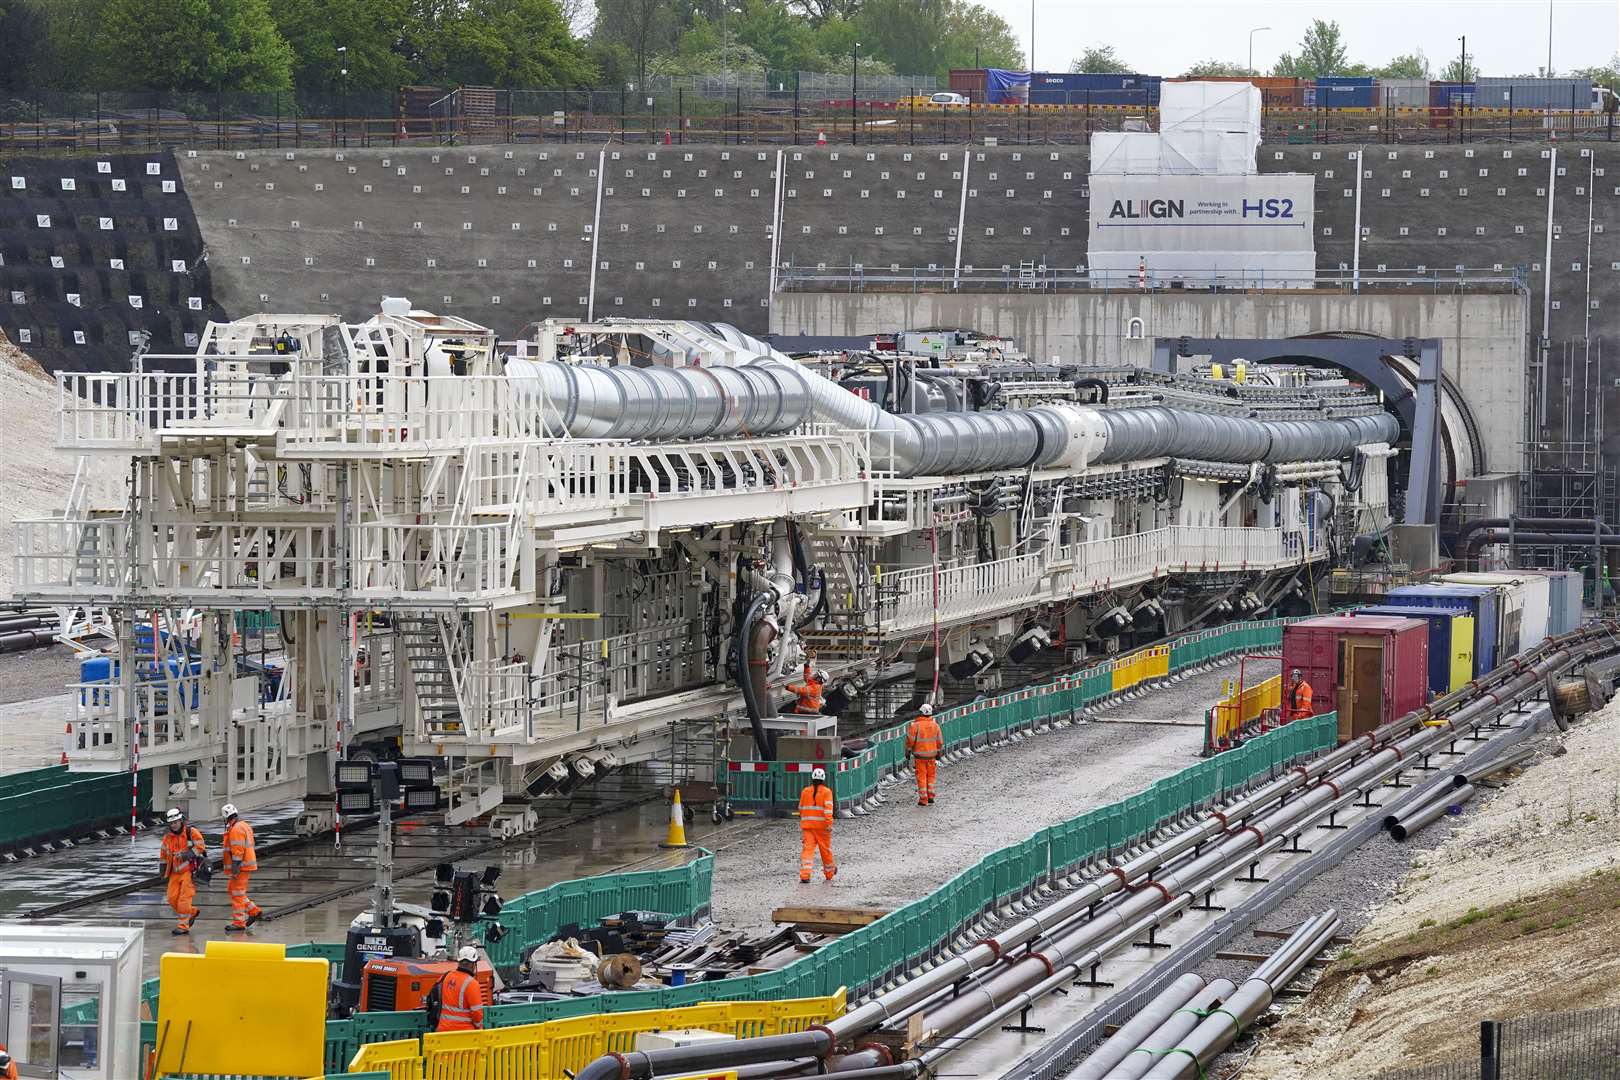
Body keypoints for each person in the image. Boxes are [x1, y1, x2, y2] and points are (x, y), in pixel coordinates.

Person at [159, 808, 206, 935]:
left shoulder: (191, 832)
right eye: (171, 823)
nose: (174, 825)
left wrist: (188, 854)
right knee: (171, 898)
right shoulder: (167, 837)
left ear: (181, 821)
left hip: (189, 872)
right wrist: (162, 872)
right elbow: (163, 855)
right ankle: (192, 912)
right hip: (174, 872)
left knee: (184, 900)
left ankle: (183, 925)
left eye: (176, 822)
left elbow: (201, 846)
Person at [222, 803, 262, 932]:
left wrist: (235, 870)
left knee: (237, 894)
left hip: (241, 867)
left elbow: (237, 853)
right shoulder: (244, 825)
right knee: (233, 890)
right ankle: (254, 911)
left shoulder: (236, 829)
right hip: (245, 865)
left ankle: (239, 922)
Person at [797, 767, 837, 883]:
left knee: (807, 851)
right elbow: (828, 810)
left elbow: (800, 808)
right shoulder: (827, 792)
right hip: (822, 828)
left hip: (808, 827)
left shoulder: (805, 791)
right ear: (823, 779)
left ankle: (805, 875)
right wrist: (829, 824)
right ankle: (829, 873)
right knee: (825, 851)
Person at [435, 946, 486, 1032]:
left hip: (442, 1031)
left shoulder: (446, 976)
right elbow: (477, 1014)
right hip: (463, 1033)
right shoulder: (472, 984)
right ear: (473, 964)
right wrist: (479, 1027)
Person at [905, 702, 943, 806]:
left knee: (921, 777)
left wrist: (907, 751)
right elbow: (939, 741)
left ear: (920, 713)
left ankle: (923, 799)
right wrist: (939, 752)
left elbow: (910, 741)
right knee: (931, 776)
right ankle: (931, 797)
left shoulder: (915, 726)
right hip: (932, 756)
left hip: (920, 757)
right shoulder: (935, 725)